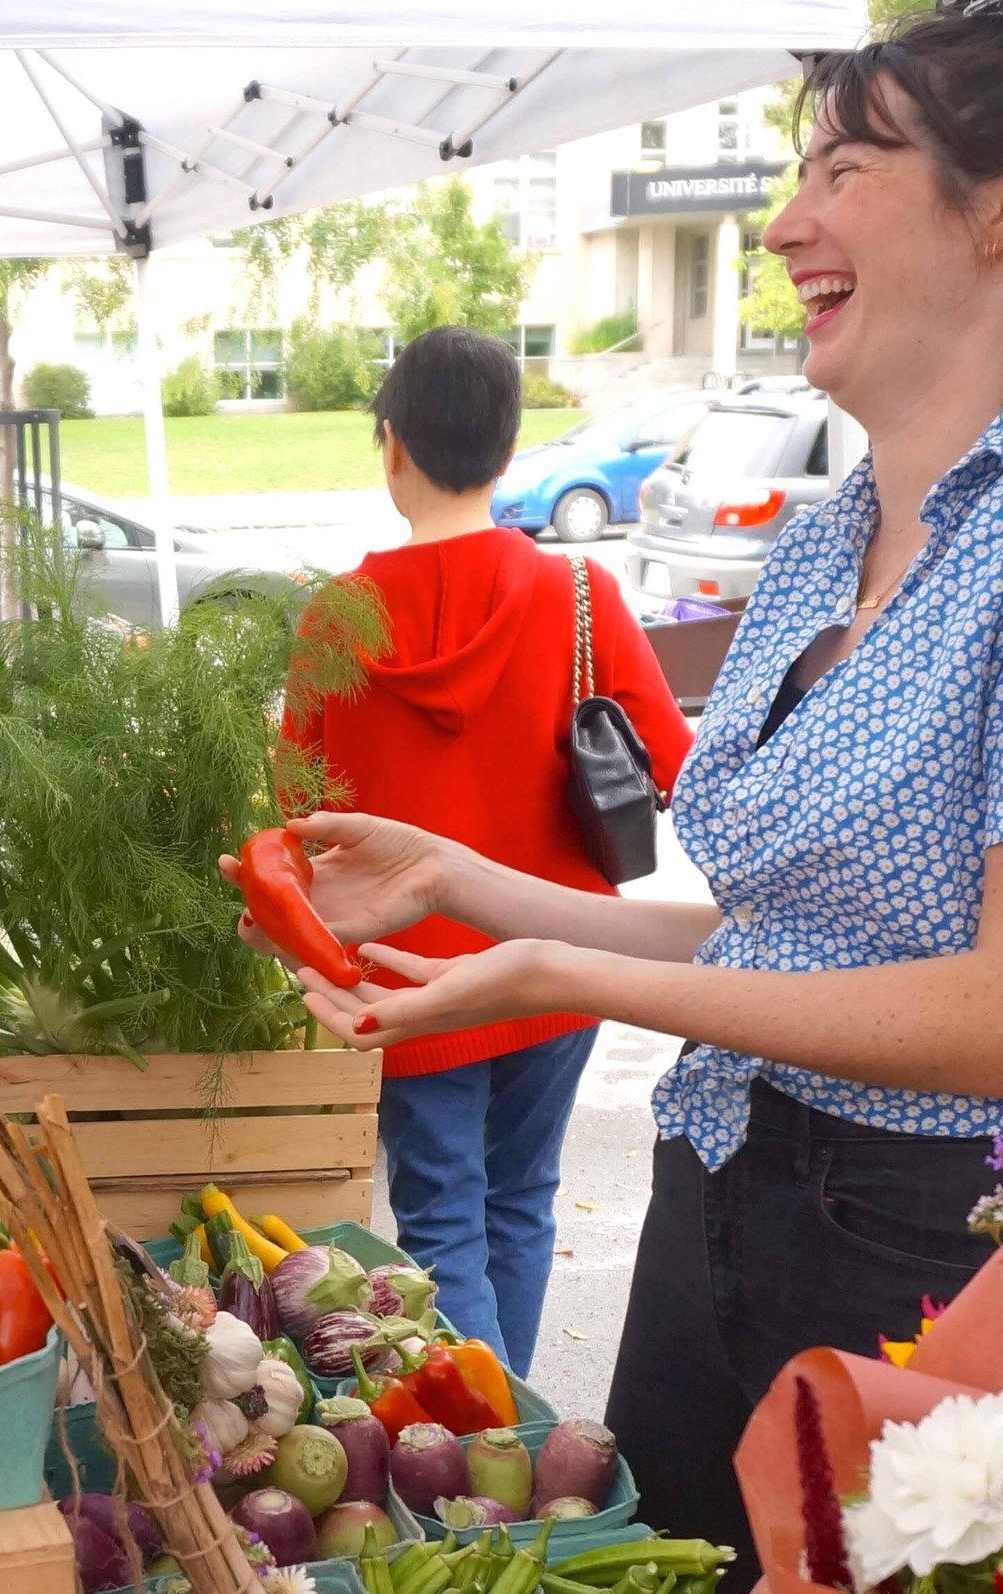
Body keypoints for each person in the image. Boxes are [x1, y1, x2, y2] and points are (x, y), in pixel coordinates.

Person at [232, 0, 1003, 1582]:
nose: (788, 223)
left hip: (930, 1249)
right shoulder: (825, 535)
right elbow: (790, 934)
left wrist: (561, 972)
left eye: (846, 169)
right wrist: (464, 883)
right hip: (719, 1179)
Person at [281, 326, 692, 1372]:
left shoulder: (334, 619)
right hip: (559, 958)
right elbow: (680, 765)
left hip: (410, 979)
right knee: (522, 1198)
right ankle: (513, 1423)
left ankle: (488, 1437)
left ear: (390, 449)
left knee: (439, 1225)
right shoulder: (582, 596)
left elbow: (298, 809)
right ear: (509, 455)